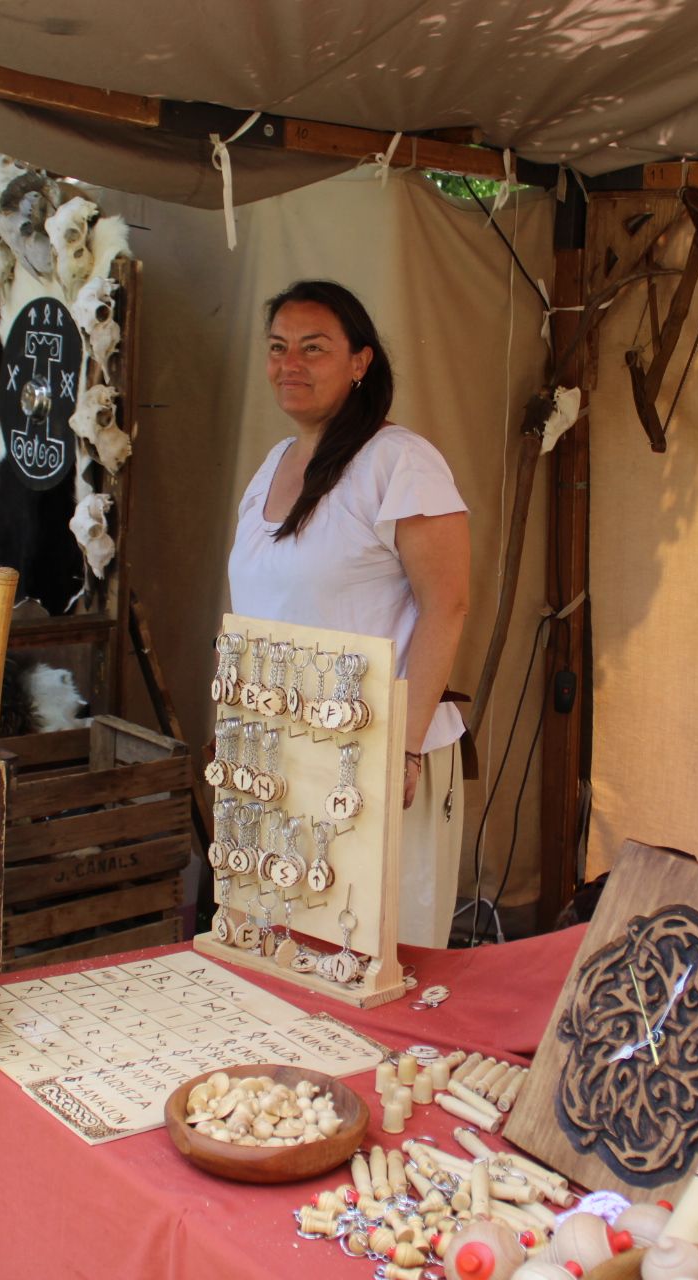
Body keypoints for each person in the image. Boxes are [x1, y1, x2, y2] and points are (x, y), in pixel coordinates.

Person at [227, 280, 471, 947]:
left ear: (360, 362)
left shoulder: (400, 463)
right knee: (281, 959)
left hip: (370, 761)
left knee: (368, 960)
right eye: (278, 348)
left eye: (314, 348)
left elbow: (446, 606)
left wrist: (406, 749)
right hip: (280, 761)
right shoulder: (276, 462)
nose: (290, 365)